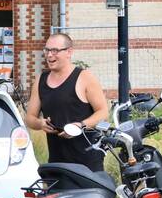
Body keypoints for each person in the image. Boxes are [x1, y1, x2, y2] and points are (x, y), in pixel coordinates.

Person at [24, 33, 110, 171]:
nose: (49, 55)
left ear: (69, 52)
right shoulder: (41, 80)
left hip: (87, 163)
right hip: (57, 162)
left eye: (55, 51)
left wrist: (80, 126)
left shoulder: (85, 77)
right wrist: (40, 124)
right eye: (47, 50)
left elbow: (103, 112)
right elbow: (29, 118)